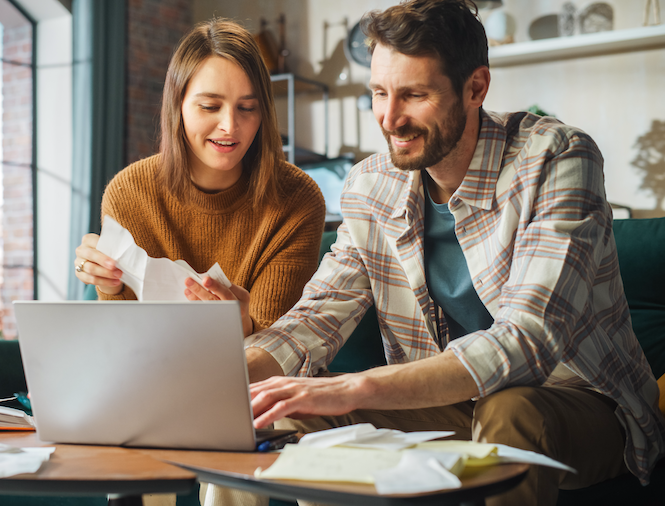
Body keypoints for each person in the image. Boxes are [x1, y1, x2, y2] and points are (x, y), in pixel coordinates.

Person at [243, 1, 665, 505]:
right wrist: (223, 375)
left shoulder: (555, 156)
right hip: (447, 406)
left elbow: (526, 341)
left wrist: (355, 387)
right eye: (379, 93)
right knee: (276, 409)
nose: (390, 118)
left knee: (510, 411)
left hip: (578, 403)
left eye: (414, 94)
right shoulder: (369, 185)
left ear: (475, 88)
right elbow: (316, 319)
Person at [73, 18, 325, 341]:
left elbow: (281, 347)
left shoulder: (297, 199)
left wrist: (244, 325)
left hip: (255, 383)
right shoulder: (129, 193)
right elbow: (124, 342)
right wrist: (107, 282)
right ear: (177, 105)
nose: (230, 125)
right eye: (210, 106)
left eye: (247, 108)